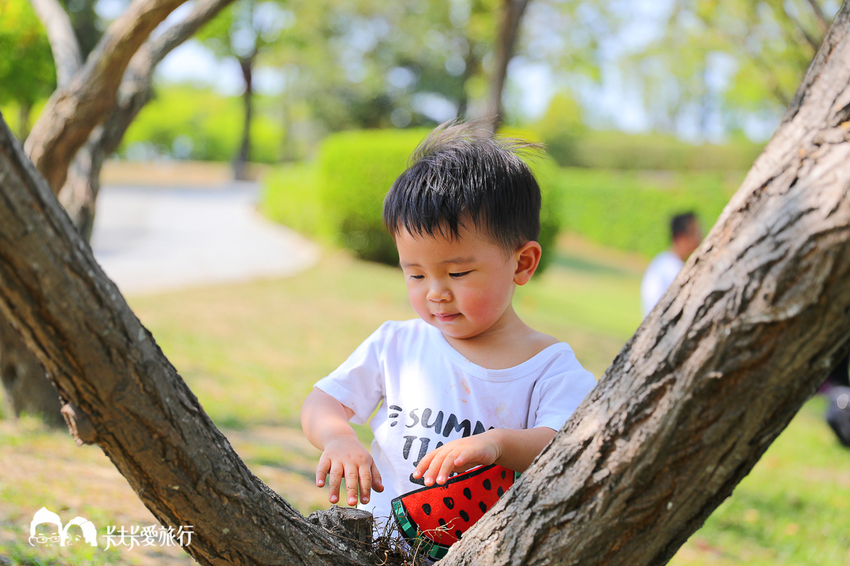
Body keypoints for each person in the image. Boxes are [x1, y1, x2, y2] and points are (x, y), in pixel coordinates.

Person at [300, 121, 597, 527]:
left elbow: (568, 442)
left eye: (457, 274)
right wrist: (338, 438)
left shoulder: (549, 366)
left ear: (522, 263)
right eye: (416, 275)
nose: (435, 293)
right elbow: (324, 401)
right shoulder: (398, 343)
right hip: (377, 544)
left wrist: (498, 444)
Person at [640, 212, 703, 317]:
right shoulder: (672, 268)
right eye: (695, 233)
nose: (699, 238)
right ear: (681, 237)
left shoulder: (663, 260)